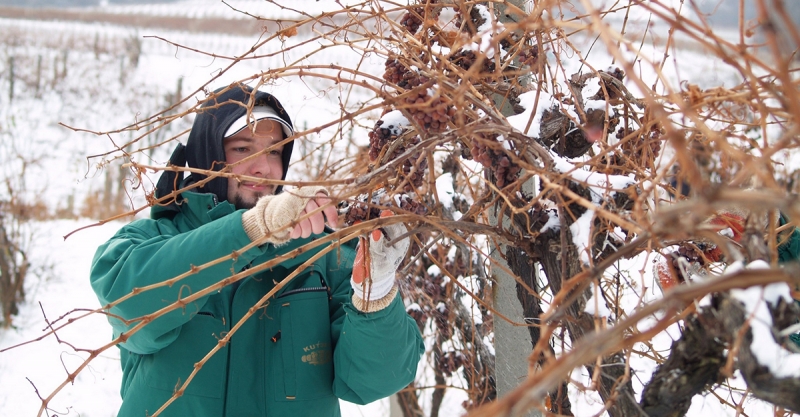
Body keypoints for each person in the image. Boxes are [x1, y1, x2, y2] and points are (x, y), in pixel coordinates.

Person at [90, 84, 425, 417]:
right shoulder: (147, 241)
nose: (262, 167)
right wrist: (251, 229)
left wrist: (375, 295)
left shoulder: (324, 255)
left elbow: (374, 381)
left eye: (274, 151)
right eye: (242, 148)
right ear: (207, 154)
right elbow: (132, 312)